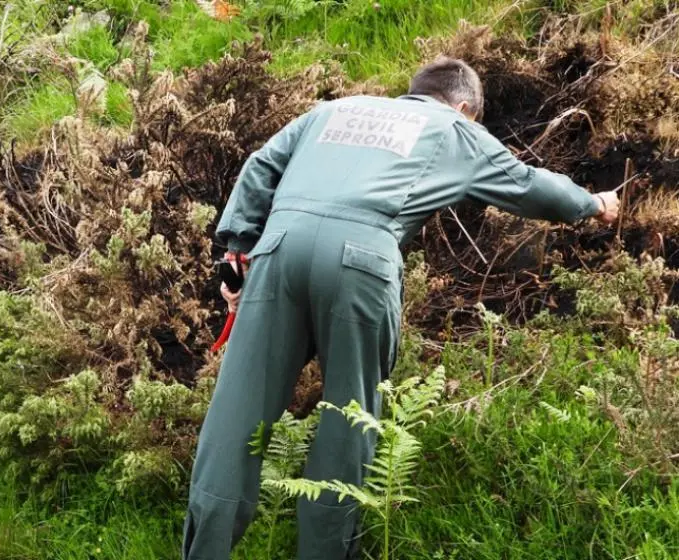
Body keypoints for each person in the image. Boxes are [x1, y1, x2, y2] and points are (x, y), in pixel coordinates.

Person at [182, 57, 620, 560]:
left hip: (277, 251)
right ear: (463, 107)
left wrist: (237, 253)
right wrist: (594, 203)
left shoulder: (335, 110)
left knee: (236, 419)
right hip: (362, 260)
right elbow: (529, 186)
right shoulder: (455, 127)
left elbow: (261, 165)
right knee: (349, 419)